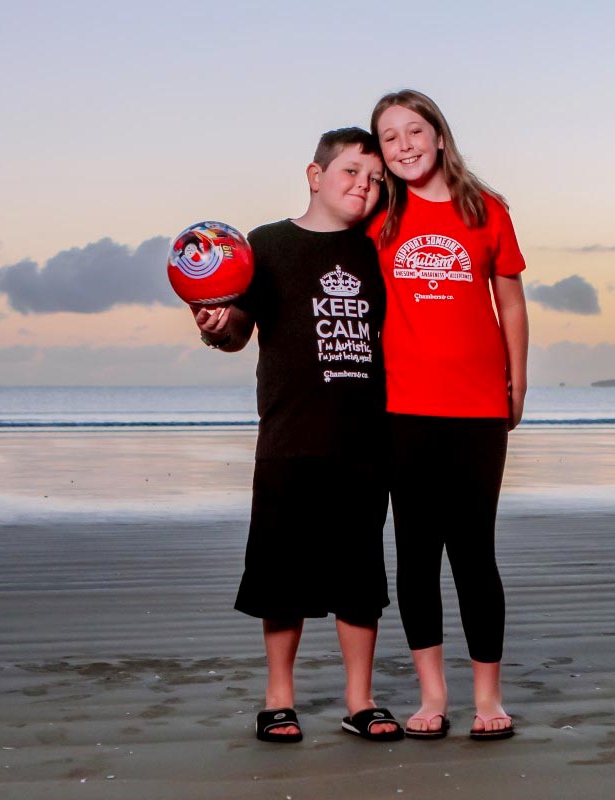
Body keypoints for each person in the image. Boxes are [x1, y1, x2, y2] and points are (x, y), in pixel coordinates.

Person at [193, 127, 403, 744]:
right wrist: (214, 322)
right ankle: (277, 697)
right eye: (350, 174)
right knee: (280, 575)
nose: (363, 187)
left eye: (374, 180)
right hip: (288, 435)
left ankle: (359, 700)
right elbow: (235, 334)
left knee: (360, 578)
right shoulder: (268, 245)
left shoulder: (377, 249)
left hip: (366, 439)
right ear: (314, 176)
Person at [368, 90, 529, 741]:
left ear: (439, 136)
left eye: (414, 131)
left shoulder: (486, 211)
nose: (403, 145)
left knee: (474, 553)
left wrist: (517, 382)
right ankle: (432, 696)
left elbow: (511, 304)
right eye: (389, 137)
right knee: (415, 554)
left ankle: (488, 696)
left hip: (477, 408)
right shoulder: (379, 215)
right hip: (402, 408)